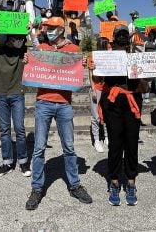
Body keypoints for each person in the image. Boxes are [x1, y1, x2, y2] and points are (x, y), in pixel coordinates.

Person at [25, 16, 92, 210]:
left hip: (64, 104)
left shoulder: (74, 50)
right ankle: (37, 188)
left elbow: (78, 75)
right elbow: (31, 66)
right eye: (47, 28)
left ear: (61, 30)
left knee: (69, 147)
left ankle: (75, 185)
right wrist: (27, 60)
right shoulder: (41, 49)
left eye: (52, 28)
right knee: (38, 148)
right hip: (43, 103)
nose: (48, 30)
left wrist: (84, 65)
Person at [96, 25, 148, 206]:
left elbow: (147, 79)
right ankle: (115, 181)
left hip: (132, 101)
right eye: (119, 34)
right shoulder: (106, 55)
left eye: (125, 34)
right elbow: (97, 80)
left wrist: (155, 67)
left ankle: (131, 181)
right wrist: (93, 68)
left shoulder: (137, 53)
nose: (122, 37)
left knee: (132, 142)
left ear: (130, 36)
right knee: (115, 143)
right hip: (113, 102)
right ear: (114, 37)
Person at [0, 32, 32, 178]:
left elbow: (38, 49)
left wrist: (31, 32)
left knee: (20, 129)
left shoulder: (23, 51)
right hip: (1, 95)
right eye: (17, 38)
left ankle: (23, 162)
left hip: (18, 94)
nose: (20, 41)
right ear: (8, 38)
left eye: (21, 39)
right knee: (4, 130)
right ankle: (7, 162)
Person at [89, 37, 110, 153]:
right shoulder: (92, 57)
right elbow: (90, 74)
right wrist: (93, 90)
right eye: (107, 45)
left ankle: (107, 137)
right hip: (96, 88)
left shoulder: (110, 57)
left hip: (107, 88)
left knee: (107, 114)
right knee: (96, 116)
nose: (109, 47)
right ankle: (97, 140)